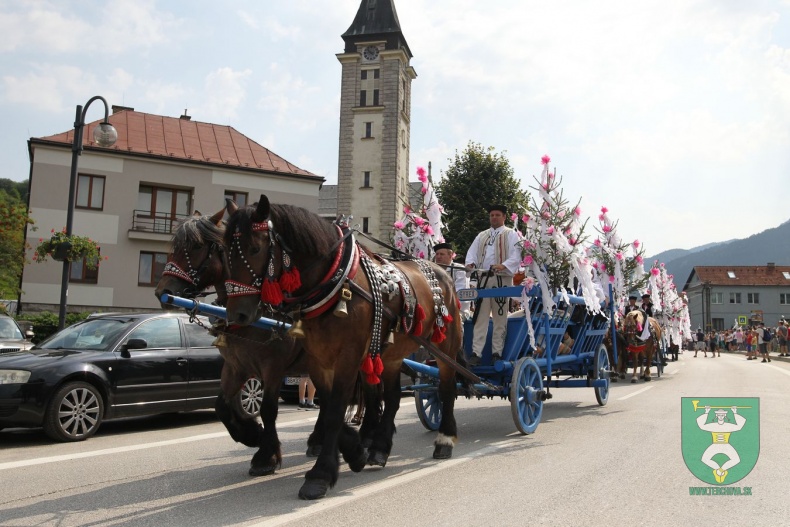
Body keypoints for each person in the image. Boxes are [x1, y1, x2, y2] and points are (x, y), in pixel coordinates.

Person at [464, 204, 521, 365]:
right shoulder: (482, 235)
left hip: (501, 279)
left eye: (497, 215)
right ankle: (476, 353)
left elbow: (516, 255)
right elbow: (472, 253)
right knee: (480, 318)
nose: (494, 218)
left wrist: (503, 265)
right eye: (491, 215)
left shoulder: (511, 234)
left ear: (504, 217)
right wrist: (470, 264)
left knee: (500, 317)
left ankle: (497, 352)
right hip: (483, 279)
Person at [433, 242, 471, 319]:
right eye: (437, 254)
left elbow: (460, 292)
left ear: (450, 255)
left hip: (457, 310)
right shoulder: (432, 270)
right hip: (437, 309)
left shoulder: (459, 269)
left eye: (442, 254)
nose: (438, 256)